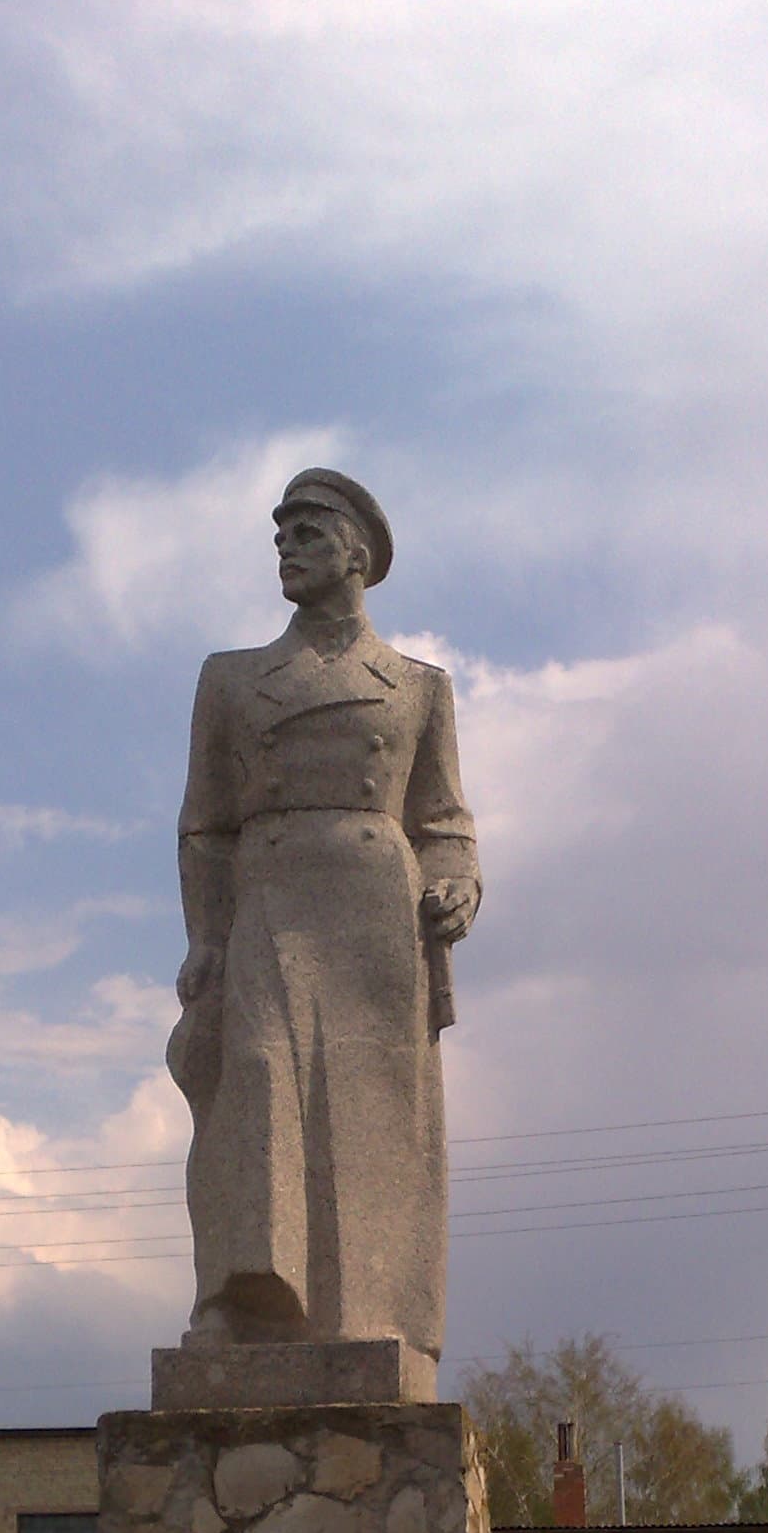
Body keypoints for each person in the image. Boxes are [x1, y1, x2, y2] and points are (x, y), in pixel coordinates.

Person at [168, 468, 480, 1367]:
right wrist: (206, 935)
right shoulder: (231, 680)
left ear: (356, 552)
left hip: (376, 910)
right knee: (257, 1077)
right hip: (272, 897)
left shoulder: (418, 688)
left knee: (371, 1114)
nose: (286, 550)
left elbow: (445, 822)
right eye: (281, 536)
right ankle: (246, 1297)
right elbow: (205, 825)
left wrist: (458, 881)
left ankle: (369, 1314)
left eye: (306, 533)